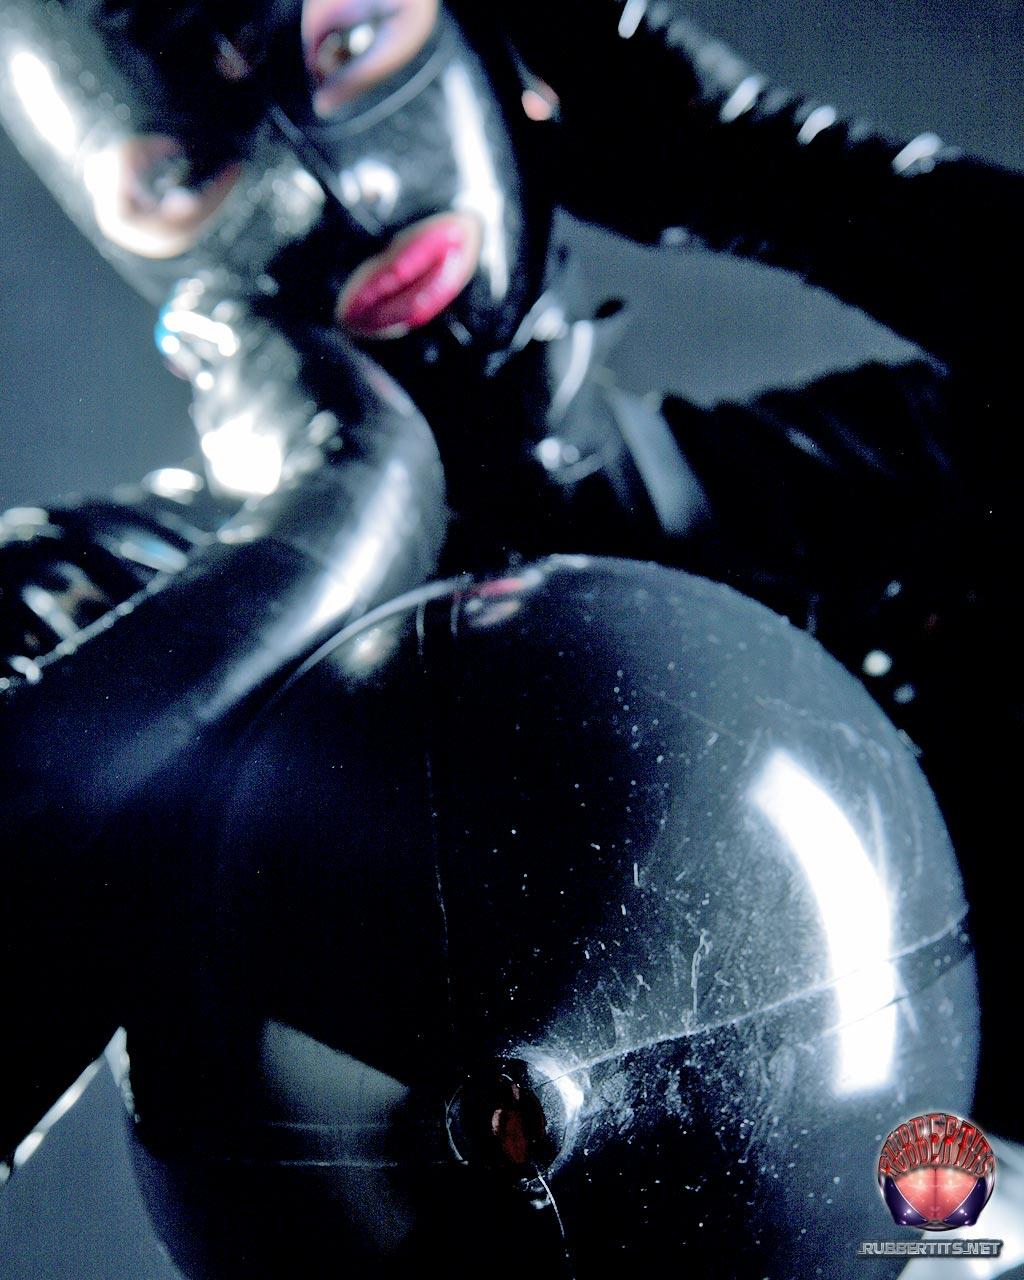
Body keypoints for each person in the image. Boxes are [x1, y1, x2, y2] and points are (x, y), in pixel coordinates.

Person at [0, 1, 1020, 1274]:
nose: (349, 189)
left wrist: (758, 160)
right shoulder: (105, 613)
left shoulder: (866, 491)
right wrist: (336, 521)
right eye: (184, 168)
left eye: (350, 44)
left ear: (495, 53)